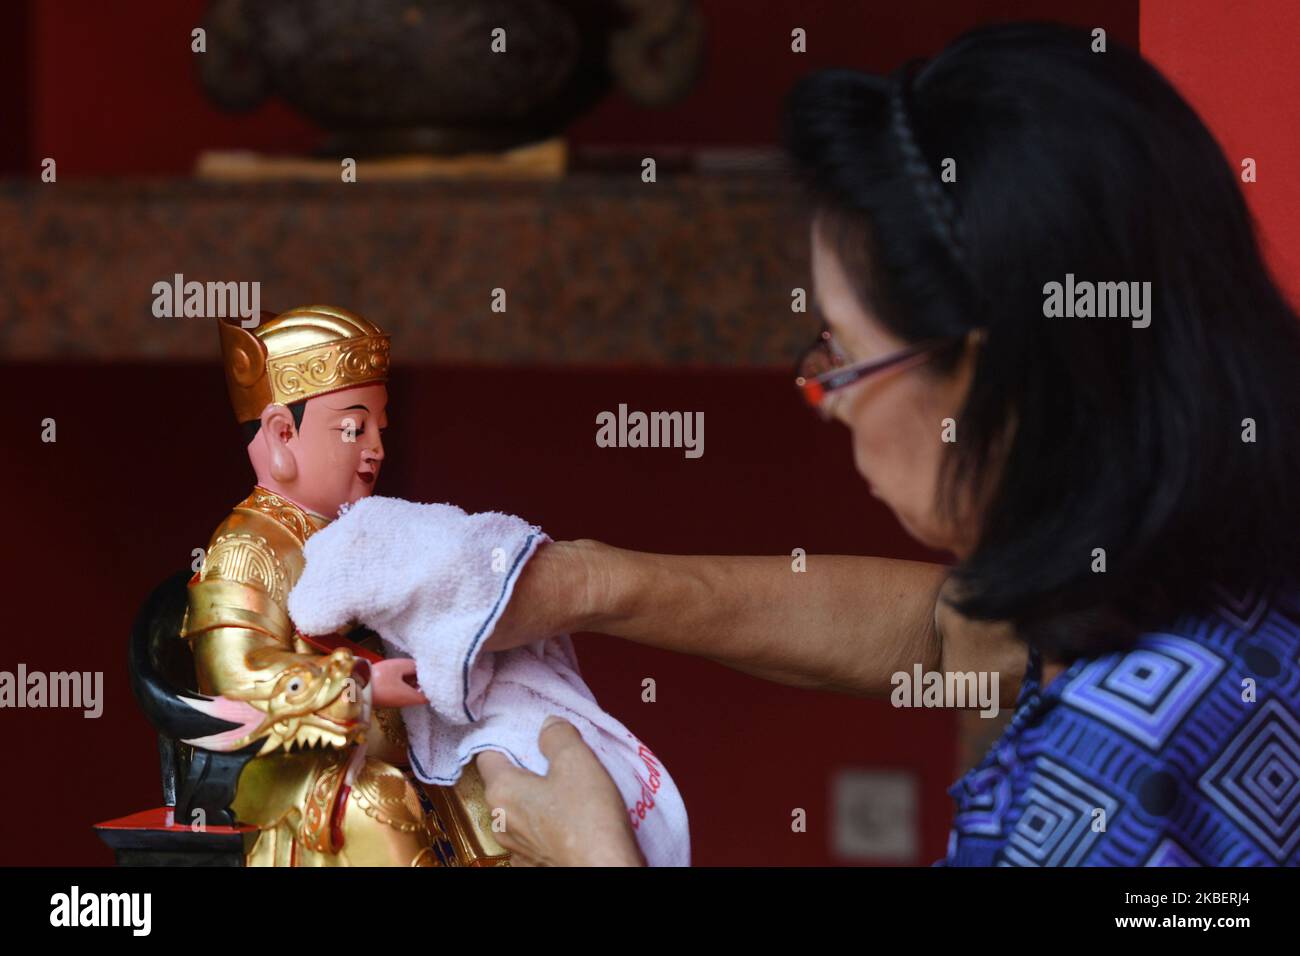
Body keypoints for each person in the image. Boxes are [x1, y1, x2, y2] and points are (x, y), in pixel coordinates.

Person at [474, 23, 1300, 866]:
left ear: (993, 381)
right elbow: (952, 641)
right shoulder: (1215, 568)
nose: (826, 402)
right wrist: (588, 584)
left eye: (846, 357)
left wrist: (595, 854)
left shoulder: (1110, 772)